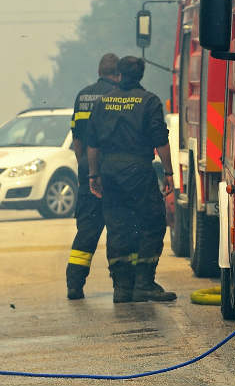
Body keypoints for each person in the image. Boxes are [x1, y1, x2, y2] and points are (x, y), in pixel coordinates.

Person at [86, 56, 176, 303]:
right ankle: (144, 283)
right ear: (141, 74)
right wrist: (168, 173)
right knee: (152, 223)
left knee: (117, 227)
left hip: (110, 172)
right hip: (138, 170)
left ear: (119, 73)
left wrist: (94, 174)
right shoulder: (149, 101)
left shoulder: (103, 102)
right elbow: (161, 141)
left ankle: (122, 288)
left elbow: (92, 145)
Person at [65, 53, 120, 300]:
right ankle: (121, 286)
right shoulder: (119, 97)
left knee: (87, 229)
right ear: (117, 74)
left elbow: (77, 138)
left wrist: (84, 166)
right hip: (114, 171)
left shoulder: (82, 96)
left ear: (99, 71)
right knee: (118, 228)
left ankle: (74, 285)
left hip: (87, 170)